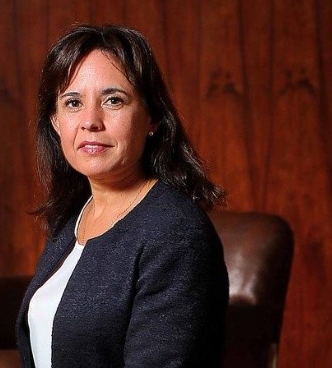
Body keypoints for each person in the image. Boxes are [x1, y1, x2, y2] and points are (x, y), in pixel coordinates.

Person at [16, 24, 229, 367]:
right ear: (55, 121)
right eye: (73, 103)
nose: (90, 121)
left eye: (113, 100)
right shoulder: (74, 218)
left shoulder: (176, 234)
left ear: (152, 117)